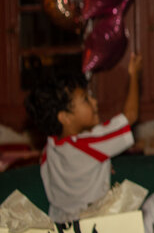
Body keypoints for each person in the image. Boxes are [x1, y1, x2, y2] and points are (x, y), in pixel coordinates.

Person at [25, 53, 142, 223]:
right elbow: (130, 116)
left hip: (59, 226)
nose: (94, 102)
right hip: (91, 225)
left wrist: (99, 165)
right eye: (86, 100)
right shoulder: (89, 143)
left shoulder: (49, 149)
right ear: (65, 117)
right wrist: (133, 75)